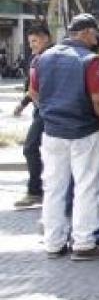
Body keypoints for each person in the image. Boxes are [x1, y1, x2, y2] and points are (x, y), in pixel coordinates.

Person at [30, 13, 99, 260]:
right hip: (83, 131)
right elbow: (98, 100)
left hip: (52, 131)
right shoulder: (89, 60)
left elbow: (34, 92)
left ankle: (54, 243)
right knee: (86, 186)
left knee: (54, 187)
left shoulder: (43, 58)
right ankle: (84, 243)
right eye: (94, 33)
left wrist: (47, 112)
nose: (96, 38)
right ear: (86, 33)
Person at [13, 24, 53, 208]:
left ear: (46, 38)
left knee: (30, 148)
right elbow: (32, 88)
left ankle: (35, 191)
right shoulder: (35, 57)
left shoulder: (52, 57)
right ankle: (41, 189)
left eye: (35, 41)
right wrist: (22, 104)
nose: (32, 45)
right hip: (40, 110)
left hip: (49, 111)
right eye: (30, 42)